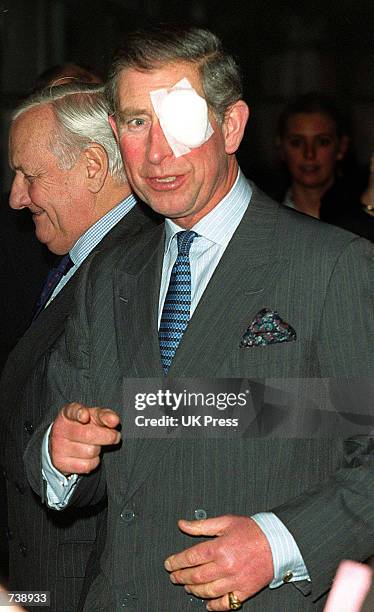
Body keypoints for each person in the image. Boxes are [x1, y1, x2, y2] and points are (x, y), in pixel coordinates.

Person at [25, 26, 374, 611]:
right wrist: (59, 454)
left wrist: (279, 543)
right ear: (116, 134)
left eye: (180, 122)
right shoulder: (109, 276)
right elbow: (71, 446)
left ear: (231, 125)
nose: (158, 153)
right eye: (138, 123)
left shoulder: (332, 267)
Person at [0, 82, 157, 611]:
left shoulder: (136, 265)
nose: (16, 197)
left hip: (82, 588)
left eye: (30, 175)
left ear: (93, 166)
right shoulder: (82, 260)